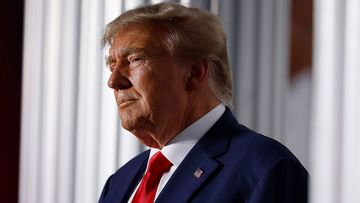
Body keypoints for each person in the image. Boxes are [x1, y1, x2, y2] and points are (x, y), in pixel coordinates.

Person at [99, 2, 308, 203]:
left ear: (194, 72)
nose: (113, 81)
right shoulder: (118, 184)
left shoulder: (268, 169)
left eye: (135, 60)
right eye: (112, 66)